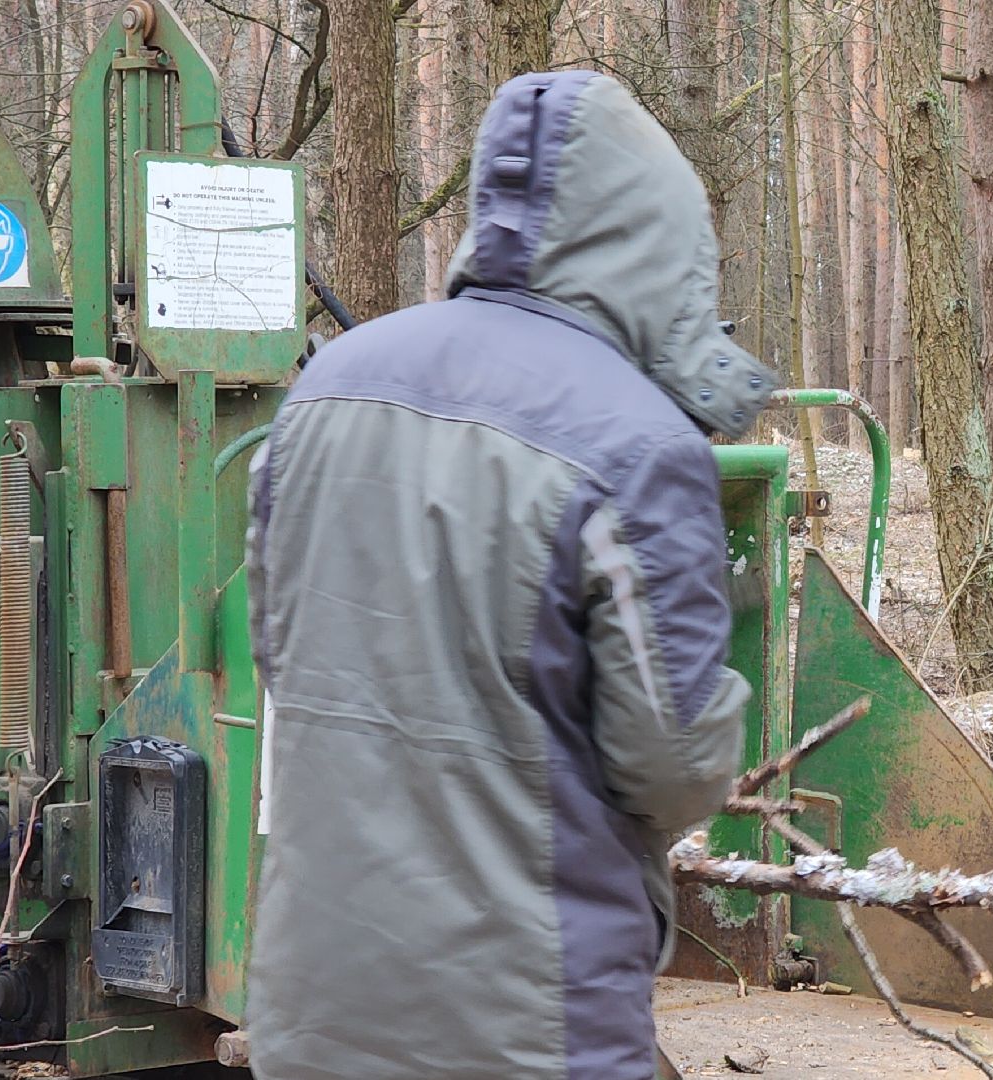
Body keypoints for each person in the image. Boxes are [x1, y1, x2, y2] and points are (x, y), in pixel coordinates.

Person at [242, 71, 769, 1080]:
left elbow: (283, 656)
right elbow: (674, 764)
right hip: (526, 1024)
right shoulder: (636, 445)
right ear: (659, 247)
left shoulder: (326, 389)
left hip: (313, 1007)